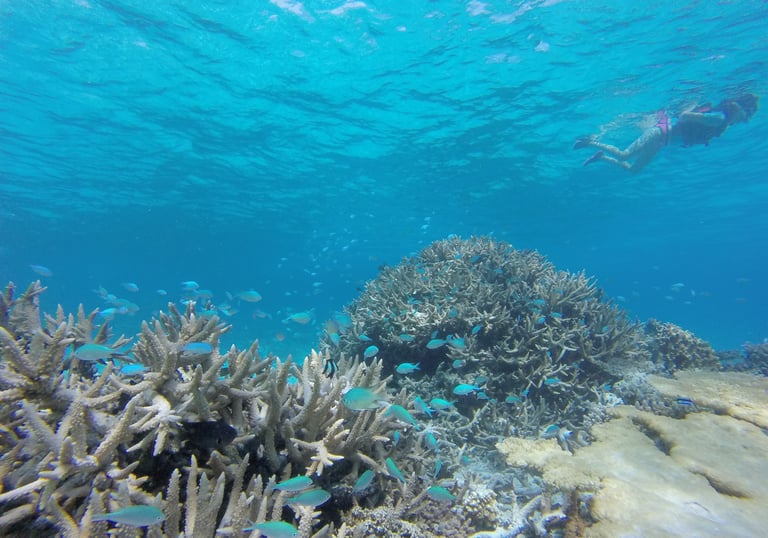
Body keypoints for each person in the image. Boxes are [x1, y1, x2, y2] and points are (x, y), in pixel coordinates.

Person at [573, 93, 759, 173]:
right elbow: (685, 115)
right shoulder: (718, 119)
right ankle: (590, 142)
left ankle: (601, 157)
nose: (741, 122)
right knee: (625, 155)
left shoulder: (720, 123)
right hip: (661, 133)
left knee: (633, 170)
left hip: (663, 141)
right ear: (738, 109)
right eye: (744, 117)